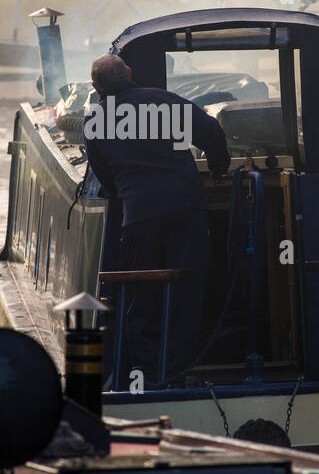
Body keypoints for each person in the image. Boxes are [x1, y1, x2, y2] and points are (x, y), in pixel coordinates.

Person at [83, 54, 230, 384]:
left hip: (139, 218)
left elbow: (104, 176)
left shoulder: (94, 120)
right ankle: (179, 371)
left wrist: (126, 197)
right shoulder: (163, 102)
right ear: (130, 72)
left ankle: (148, 376)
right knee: (187, 292)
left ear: (96, 87)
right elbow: (210, 132)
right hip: (186, 211)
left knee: (142, 296)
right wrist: (219, 167)